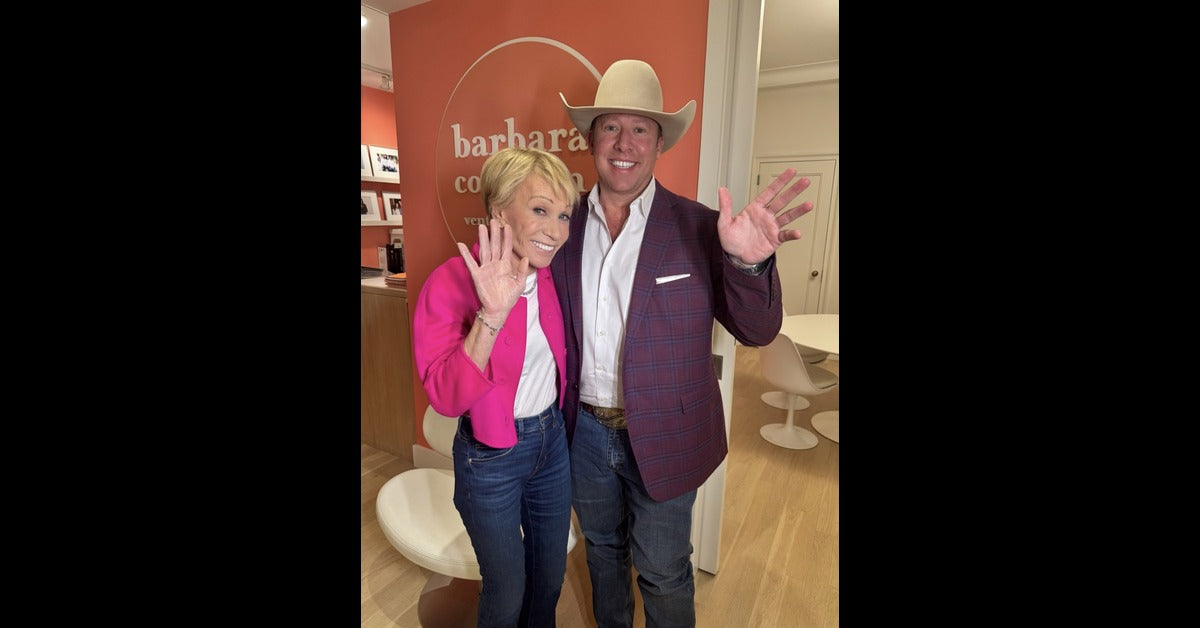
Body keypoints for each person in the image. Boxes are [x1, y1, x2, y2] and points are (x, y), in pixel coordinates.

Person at [552, 59, 815, 627]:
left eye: (640, 129)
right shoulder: (562, 226)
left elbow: (756, 331)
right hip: (584, 432)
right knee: (602, 553)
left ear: (660, 143)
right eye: (610, 127)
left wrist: (749, 265)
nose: (624, 143)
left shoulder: (699, 226)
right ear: (591, 140)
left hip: (666, 432)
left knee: (663, 570)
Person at [412, 146, 579, 627]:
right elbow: (445, 398)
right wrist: (492, 315)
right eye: (541, 209)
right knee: (506, 593)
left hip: (551, 444)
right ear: (498, 211)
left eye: (564, 215)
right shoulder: (450, 282)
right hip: (490, 458)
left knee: (548, 581)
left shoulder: (551, 277)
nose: (556, 230)